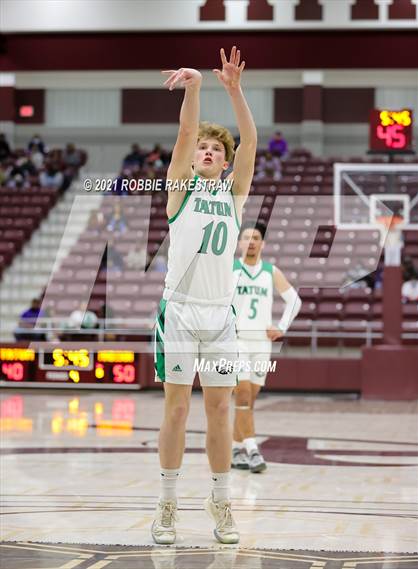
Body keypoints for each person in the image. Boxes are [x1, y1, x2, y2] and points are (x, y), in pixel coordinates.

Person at [151, 46, 257, 546]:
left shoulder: (235, 194)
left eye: (218, 149)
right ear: (194, 159)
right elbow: (184, 134)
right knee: (176, 410)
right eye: (204, 148)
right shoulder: (180, 188)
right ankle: (167, 503)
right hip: (180, 312)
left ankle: (220, 500)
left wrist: (235, 92)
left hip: (219, 315)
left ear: (225, 160)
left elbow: (250, 140)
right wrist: (195, 88)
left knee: (220, 411)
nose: (209, 151)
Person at [231, 221, 302, 473]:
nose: (251, 241)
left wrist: (281, 326)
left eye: (256, 237)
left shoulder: (270, 272)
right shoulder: (229, 269)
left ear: (263, 243)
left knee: (249, 401)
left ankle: (236, 447)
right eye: (246, 237)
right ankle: (253, 451)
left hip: (262, 343)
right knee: (242, 395)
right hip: (236, 340)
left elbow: (294, 301)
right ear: (239, 242)